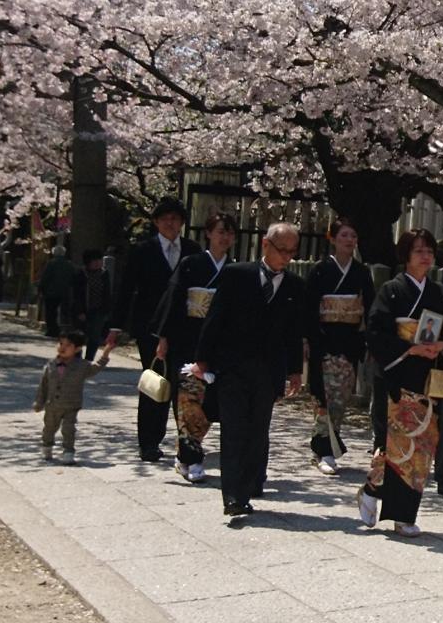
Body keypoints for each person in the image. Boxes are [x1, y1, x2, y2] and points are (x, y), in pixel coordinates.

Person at [357, 229, 443, 537]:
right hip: (397, 375)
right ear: (405, 255)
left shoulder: (438, 292)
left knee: (421, 448)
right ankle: (371, 489)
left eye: (429, 250)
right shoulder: (391, 291)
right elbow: (377, 332)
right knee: (394, 445)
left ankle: (404, 515)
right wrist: (410, 347)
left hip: (426, 377)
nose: (425, 255)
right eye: (418, 250)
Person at [194, 222, 306, 517]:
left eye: (292, 252)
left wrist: (295, 370)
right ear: (265, 245)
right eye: (282, 250)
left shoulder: (294, 285)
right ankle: (233, 496)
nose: (287, 257)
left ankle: (250, 483)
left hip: (268, 372)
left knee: (258, 431)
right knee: (233, 430)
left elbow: (294, 333)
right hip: (233, 367)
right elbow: (215, 319)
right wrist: (202, 360)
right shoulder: (236, 275)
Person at [107, 199, 202, 462]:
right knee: (155, 385)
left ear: (182, 222)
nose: (170, 223)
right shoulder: (142, 250)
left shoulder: (193, 251)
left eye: (175, 218)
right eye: (164, 218)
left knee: (184, 386)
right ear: (156, 222)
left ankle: (185, 441)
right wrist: (116, 326)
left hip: (184, 329)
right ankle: (149, 441)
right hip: (149, 328)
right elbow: (126, 290)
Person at [151, 212, 237, 483]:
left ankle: (184, 454)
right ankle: (192, 457)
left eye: (229, 232)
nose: (225, 237)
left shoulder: (236, 271)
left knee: (208, 405)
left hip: (220, 345)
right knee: (189, 401)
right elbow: (174, 300)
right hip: (188, 339)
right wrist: (164, 337)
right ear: (208, 233)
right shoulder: (191, 265)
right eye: (220, 231)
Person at [305, 217, 376, 476]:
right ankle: (324, 449)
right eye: (344, 235)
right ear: (332, 238)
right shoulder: (320, 271)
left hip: (349, 341)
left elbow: (370, 308)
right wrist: (308, 340)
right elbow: (309, 309)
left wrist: (369, 339)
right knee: (325, 396)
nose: (349, 240)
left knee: (340, 398)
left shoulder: (361, 272)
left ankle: (324, 445)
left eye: (353, 236)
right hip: (324, 341)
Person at [33, 329, 113, 465]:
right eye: (60, 344)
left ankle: (68, 452)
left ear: (77, 349)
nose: (62, 348)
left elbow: (96, 367)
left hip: (72, 405)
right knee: (49, 428)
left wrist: (105, 353)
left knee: (69, 429)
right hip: (52, 405)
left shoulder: (82, 366)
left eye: (67, 345)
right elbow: (44, 385)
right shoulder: (51, 364)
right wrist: (39, 402)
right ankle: (47, 447)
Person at [73, 250, 113, 361]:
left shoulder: (104, 274)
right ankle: (77, 358)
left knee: (95, 337)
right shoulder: (80, 274)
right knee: (79, 336)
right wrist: (79, 311)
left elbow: (107, 293)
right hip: (83, 309)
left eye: (99, 260)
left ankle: (89, 360)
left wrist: (107, 310)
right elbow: (76, 294)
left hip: (98, 310)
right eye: (95, 261)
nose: (98, 263)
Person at [38, 245, 77, 338]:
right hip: (65, 292)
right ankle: (64, 330)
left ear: (54, 253)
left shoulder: (51, 263)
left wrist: (41, 288)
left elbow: (45, 278)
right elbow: (74, 278)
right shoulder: (69, 264)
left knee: (50, 311)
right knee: (64, 311)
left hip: (51, 292)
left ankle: (52, 329)